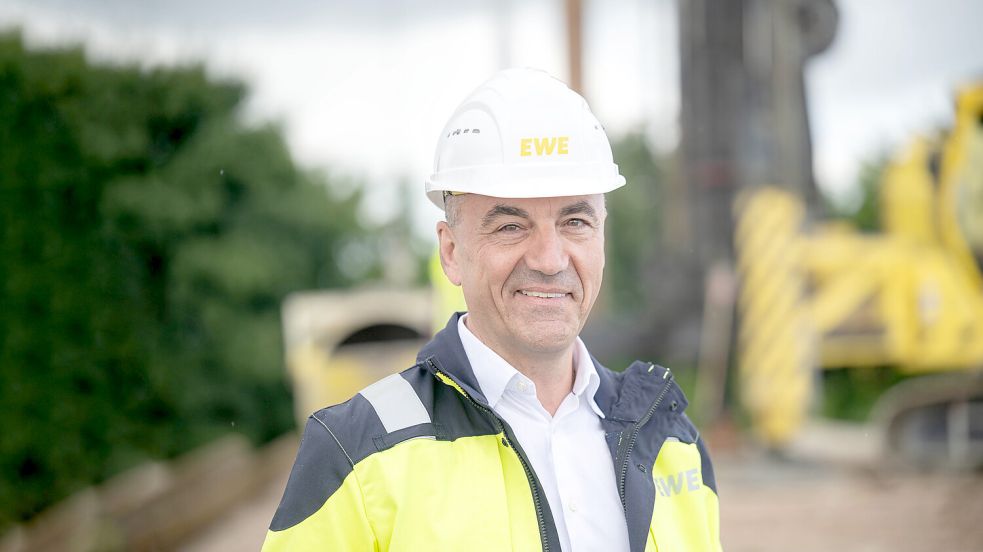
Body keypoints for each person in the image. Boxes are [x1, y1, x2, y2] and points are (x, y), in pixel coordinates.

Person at [262, 68, 721, 552]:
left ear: (603, 236)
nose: (550, 259)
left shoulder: (672, 444)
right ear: (452, 251)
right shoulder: (355, 453)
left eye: (576, 221)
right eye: (510, 227)